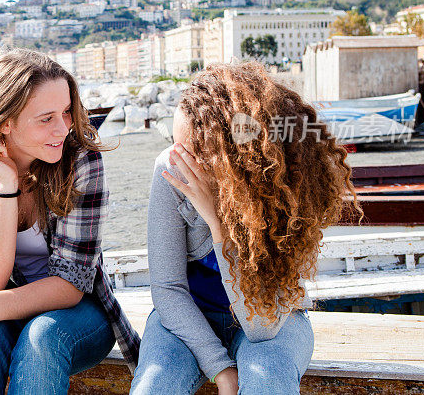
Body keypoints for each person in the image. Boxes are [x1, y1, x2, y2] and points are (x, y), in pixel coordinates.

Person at [130, 62, 362, 395]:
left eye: (194, 151)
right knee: (154, 386)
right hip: (187, 318)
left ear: (237, 154)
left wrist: (217, 222)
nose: (179, 158)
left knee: (266, 380)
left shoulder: (282, 191)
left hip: (274, 321)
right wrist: (220, 367)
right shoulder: (171, 168)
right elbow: (167, 290)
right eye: (174, 144)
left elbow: (261, 327)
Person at [0, 48, 139, 395]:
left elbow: (69, 286)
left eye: (67, 112)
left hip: (80, 314)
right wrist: (6, 189)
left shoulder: (82, 163)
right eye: (46, 118)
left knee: (42, 336)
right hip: (0, 306)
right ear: (6, 121)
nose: (63, 128)